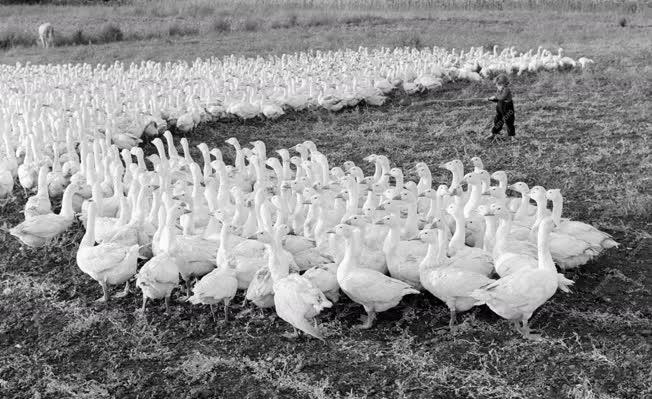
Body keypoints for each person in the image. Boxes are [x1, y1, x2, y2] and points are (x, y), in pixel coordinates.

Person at [485, 74, 515, 140]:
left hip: (507, 108)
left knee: (509, 121)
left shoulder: (506, 89)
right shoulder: (499, 90)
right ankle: (494, 133)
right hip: (500, 107)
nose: (497, 86)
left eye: (499, 85)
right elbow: (498, 99)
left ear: (504, 84)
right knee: (498, 120)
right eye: (497, 84)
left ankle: (512, 136)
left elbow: (502, 97)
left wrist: (495, 97)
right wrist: (491, 99)